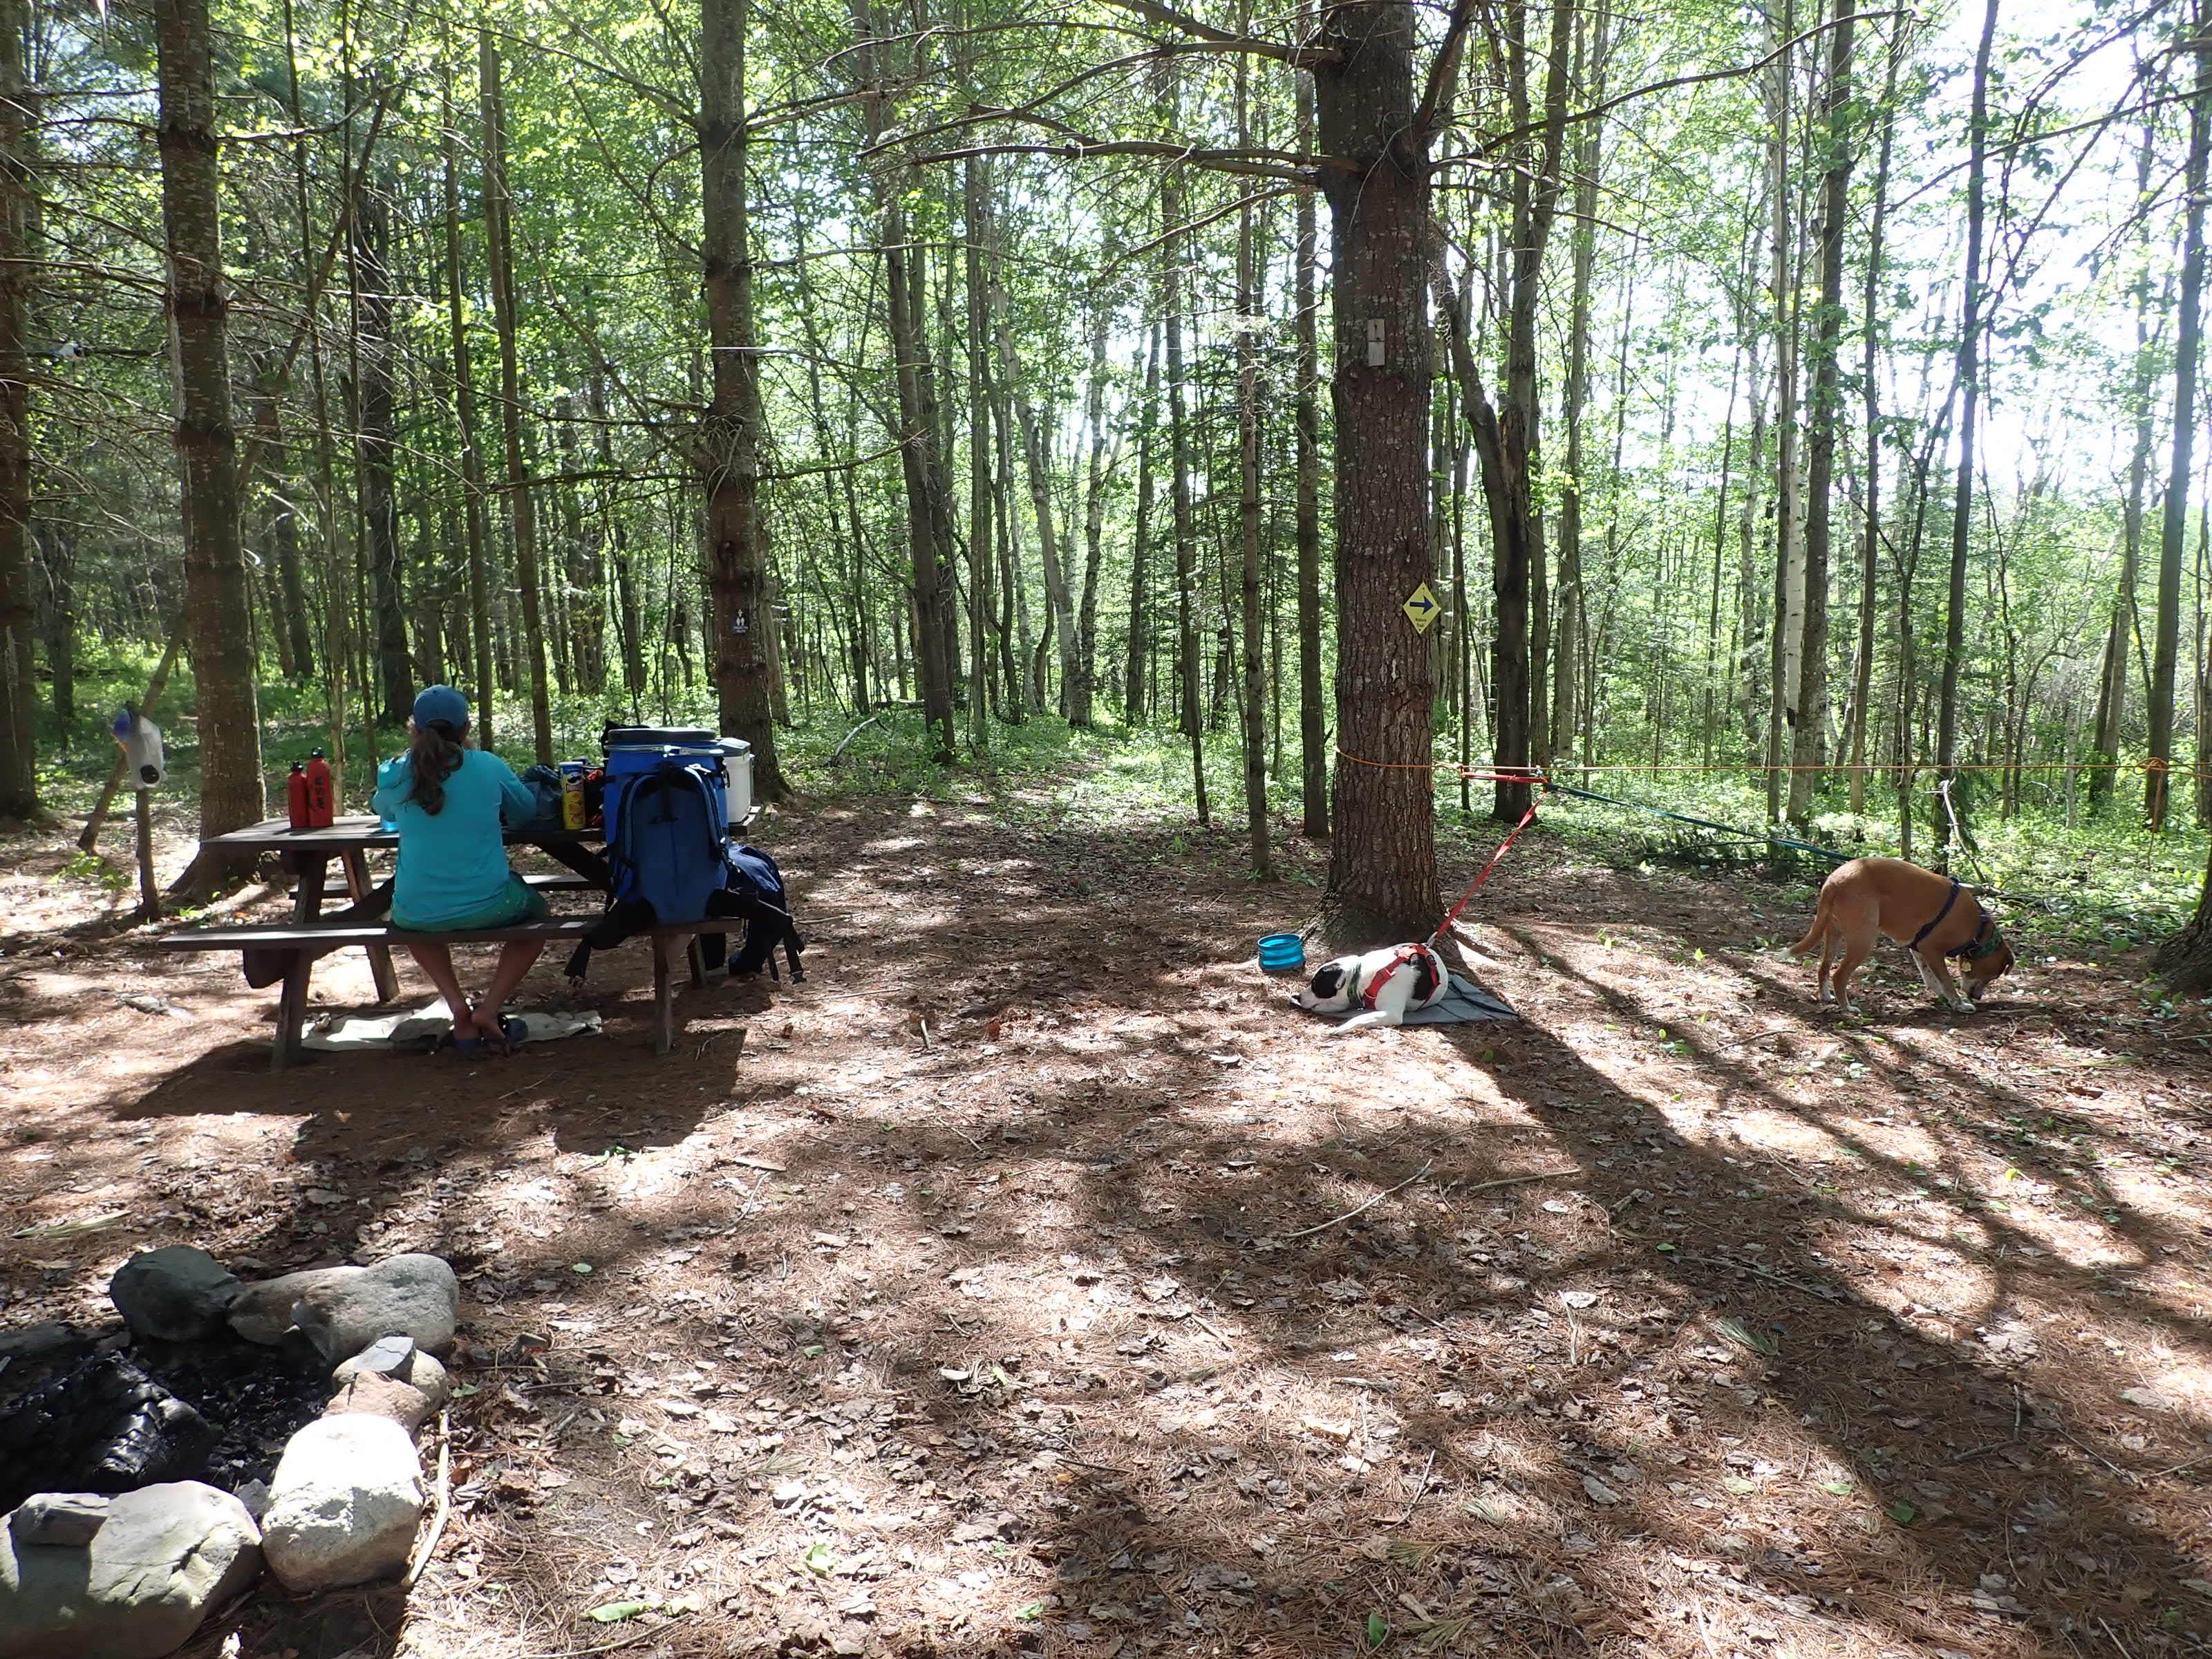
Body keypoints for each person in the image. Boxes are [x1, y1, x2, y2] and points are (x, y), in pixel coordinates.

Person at [371, 686, 548, 1053]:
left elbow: (385, 813)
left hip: (415, 910)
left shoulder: (394, 773)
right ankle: (489, 1009)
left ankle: (458, 1009)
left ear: (415, 730)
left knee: (418, 919)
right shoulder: (487, 765)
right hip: (489, 905)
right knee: (538, 918)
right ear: (466, 729)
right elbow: (526, 811)